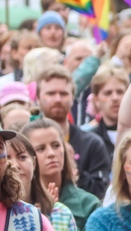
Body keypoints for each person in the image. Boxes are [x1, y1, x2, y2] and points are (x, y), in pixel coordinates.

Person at [35, 66, 111, 198]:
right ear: (37, 98)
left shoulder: (92, 144)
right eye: (51, 93)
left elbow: (100, 192)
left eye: (64, 94)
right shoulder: (25, 142)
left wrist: (73, 168)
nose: (58, 99)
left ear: (72, 97)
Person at [21, 118, 101, 231]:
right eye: (41, 149)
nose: (51, 153)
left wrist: (60, 216)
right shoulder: (17, 206)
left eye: (56, 145)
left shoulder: (89, 204)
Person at [7, 132, 77, 231]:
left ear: (34, 162)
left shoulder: (61, 214)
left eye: (22, 157)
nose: (15, 165)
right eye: (7, 159)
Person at [84, 64, 130, 159]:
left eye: (120, 92)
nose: (115, 98)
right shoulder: (88, 139)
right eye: (108, 93)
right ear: (96, 100)